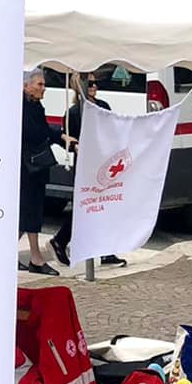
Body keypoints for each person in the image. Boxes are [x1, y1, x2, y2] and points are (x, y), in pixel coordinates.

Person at [51, 75, 125, 269]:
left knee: (103, 204)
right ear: (81, 87)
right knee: (86, 206)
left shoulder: (103, 107)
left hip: (103, 163)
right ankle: (61, 239)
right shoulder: (74, 113)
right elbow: (69, 142)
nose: (94, 86)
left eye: (95, 83)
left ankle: (105, 250)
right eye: (89, 83)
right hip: (85, 166)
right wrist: (76, 145)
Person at [18, 70, 57, 275]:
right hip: (27, 168)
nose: (44, 88)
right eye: (40, 85)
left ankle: (29, 257)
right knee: (29, 213)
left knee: (28, 214)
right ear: (27, 86)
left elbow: (46, 132)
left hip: (35, 167)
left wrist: (63, 138)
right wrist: (57, 136)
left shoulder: (35, 106)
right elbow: (36, 133)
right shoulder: (23, 108)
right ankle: (36, 258)